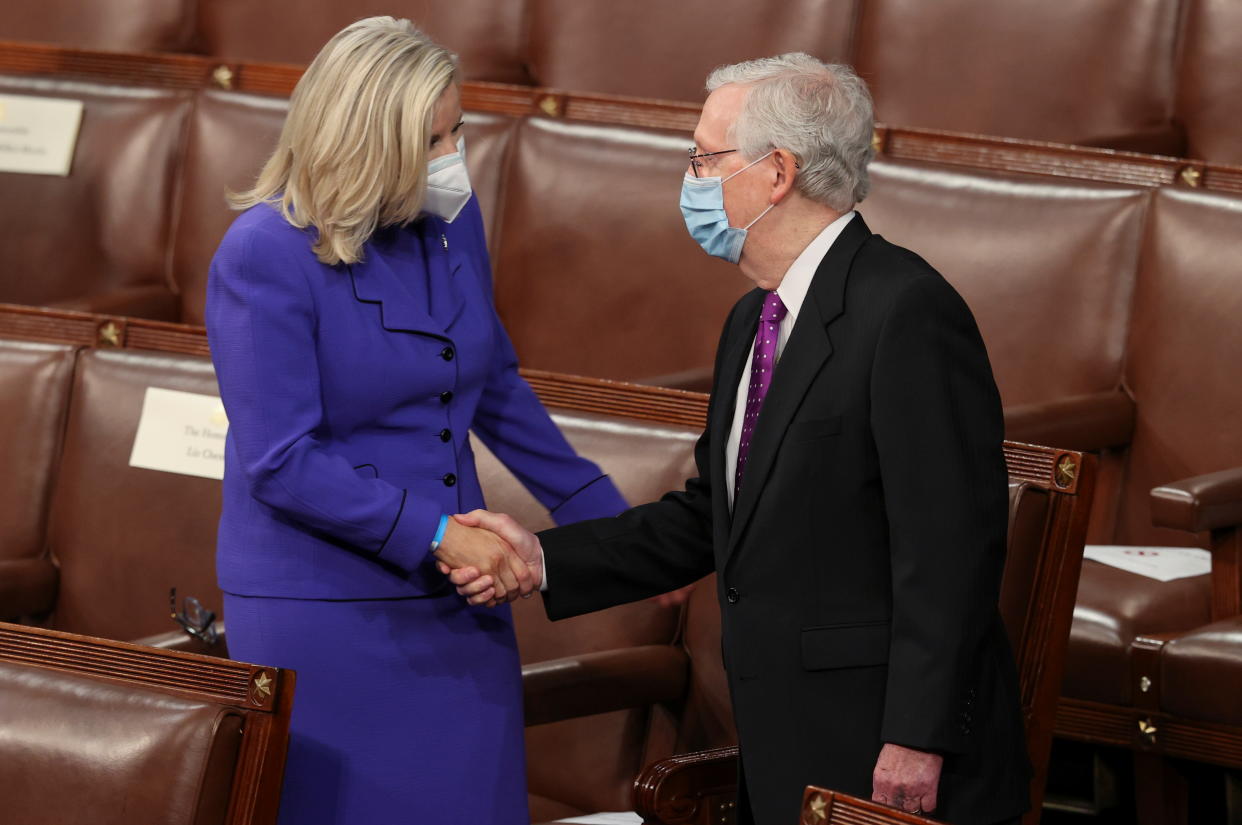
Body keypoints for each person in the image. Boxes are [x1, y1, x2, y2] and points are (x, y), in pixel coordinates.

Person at [446, 55, 1030, 825]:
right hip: (783, 741)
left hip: (881, 753)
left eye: (704, 157)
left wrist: (916, 738)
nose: (691, 179)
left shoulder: (907, 311)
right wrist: (546, 557)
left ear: (777, 172)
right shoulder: (752, 321)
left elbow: (948, 549)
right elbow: (711, 516)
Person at [204, 17, 627, 825]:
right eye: (431, 140)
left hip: (458, 596)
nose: (452, 157)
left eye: (456, 129)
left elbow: (491, 379)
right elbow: (282, 460)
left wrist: (606, 516)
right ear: (364, 143)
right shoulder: (262, 252)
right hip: (323, 609)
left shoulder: (451, 221)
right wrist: (438, 533)